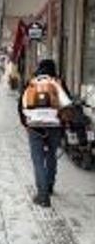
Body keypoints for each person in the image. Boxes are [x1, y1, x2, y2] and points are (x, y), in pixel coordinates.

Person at [18, 59, 73, 208]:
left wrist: (27, 124)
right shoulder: (57, 83)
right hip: (54, 126)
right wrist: (64, 122)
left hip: (34, 126)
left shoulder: (31, 83)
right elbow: (67, 104)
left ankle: (42, 196)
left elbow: (21, 106)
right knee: (51, 156)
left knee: (38, 160)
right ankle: (49, 186)